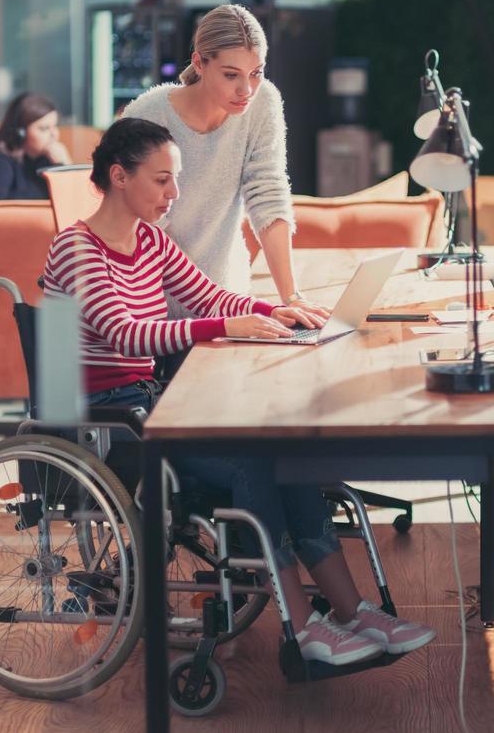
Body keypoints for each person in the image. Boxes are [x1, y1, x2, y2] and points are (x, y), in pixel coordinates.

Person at [42, 118, 434, 666]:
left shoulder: (150, 240)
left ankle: (351, 611)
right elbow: (126, 332)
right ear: (119, 176)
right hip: (110, 428)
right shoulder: (76, 248)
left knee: (282, 453)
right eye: (162, 181)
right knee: (252, 465)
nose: (173, 194)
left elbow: (209, 297)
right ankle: (302, 628)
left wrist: (277, 310)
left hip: (151, 407)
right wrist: (223, 328)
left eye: (175, 180)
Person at [122, 5, 328, 324]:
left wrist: (291, 297)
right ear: (199, 63)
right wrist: (216, 308)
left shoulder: (263, 103)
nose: (246, 90)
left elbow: (268, 193)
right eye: (231, 75)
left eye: (256, 72)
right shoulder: (148, 115)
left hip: (230, 302)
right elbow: (144, 228)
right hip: (156, 312)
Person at [0, 92, 72, 201]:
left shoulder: (47, 160)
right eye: (44, 128)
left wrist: (64, 165)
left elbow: (74, 203)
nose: (54, 134)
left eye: (55, 126)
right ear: (20, 132)